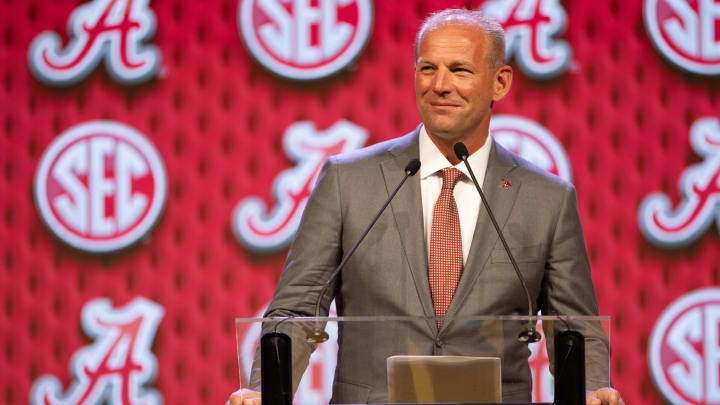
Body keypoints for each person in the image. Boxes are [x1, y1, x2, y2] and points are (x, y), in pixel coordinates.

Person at [231, 9, 623, 405]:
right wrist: (265, 392)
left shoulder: (547, 200)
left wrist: (591, 391)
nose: (440, 85)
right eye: (427, 68)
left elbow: (576, 327)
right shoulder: (348, 182)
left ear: (500, 82)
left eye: (460, 70)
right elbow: (295, 313)